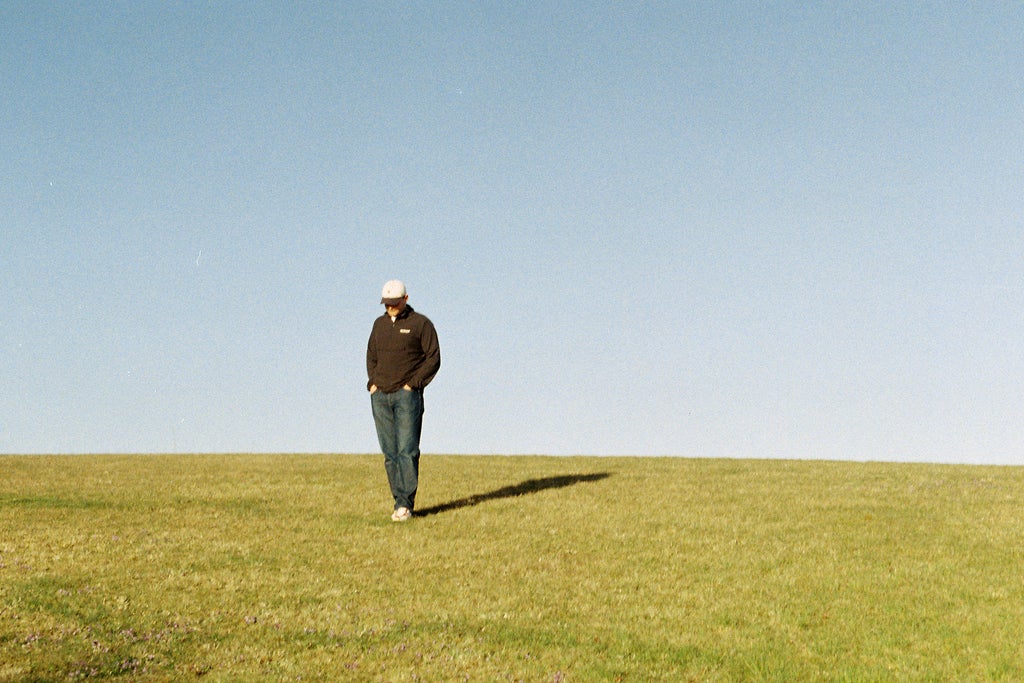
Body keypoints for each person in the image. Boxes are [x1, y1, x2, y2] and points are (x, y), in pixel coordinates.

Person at [366, 280, 441, 522]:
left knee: (407, 451)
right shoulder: (379, 325)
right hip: (381, 397)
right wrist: (373, 384)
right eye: (387, 305)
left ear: (405, 299)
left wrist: (413, 385)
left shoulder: (421, 324)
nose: (390, 308)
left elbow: (433, 358)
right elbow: (371, 356)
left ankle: (406, 504)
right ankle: (397, 500)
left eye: (395, 304)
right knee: (390, 453)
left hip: (407, 397)